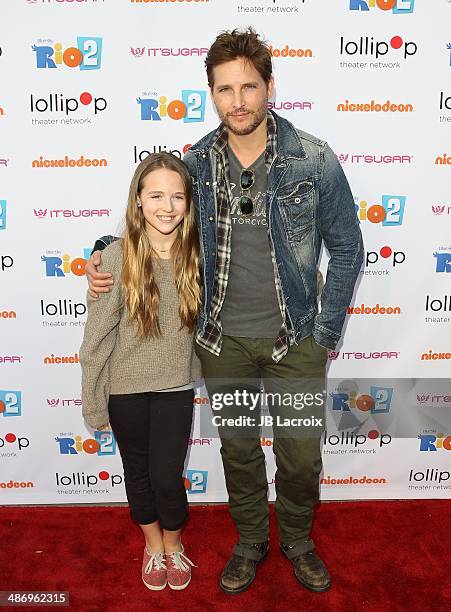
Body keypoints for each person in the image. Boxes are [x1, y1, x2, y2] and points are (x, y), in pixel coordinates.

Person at [86, 28, 363, 596]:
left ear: (269, 88)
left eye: (249, 87)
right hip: (222, 342)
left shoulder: (313, 158)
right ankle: (251, 540)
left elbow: (349, 248)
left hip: (296, 340)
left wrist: (324, 333)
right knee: (238, 454)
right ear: (211, 93)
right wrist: (98, 252)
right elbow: (152, 216)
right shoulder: (194, 165)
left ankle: (298, 541)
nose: (238, 100)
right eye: (225, 89)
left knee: (301, 458)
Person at [80, 152, 201, 592]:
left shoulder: (199, 254)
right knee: (139, 474)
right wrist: (94, 402)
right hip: (125, 390)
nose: (166, 206)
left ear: (189, 202)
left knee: (168, 476)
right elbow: (96, 337)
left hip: (176, 386)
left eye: (177, 196)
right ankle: (153, 547)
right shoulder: (113, 258)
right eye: (155, 195)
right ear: (137, 200)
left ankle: (174, 543)